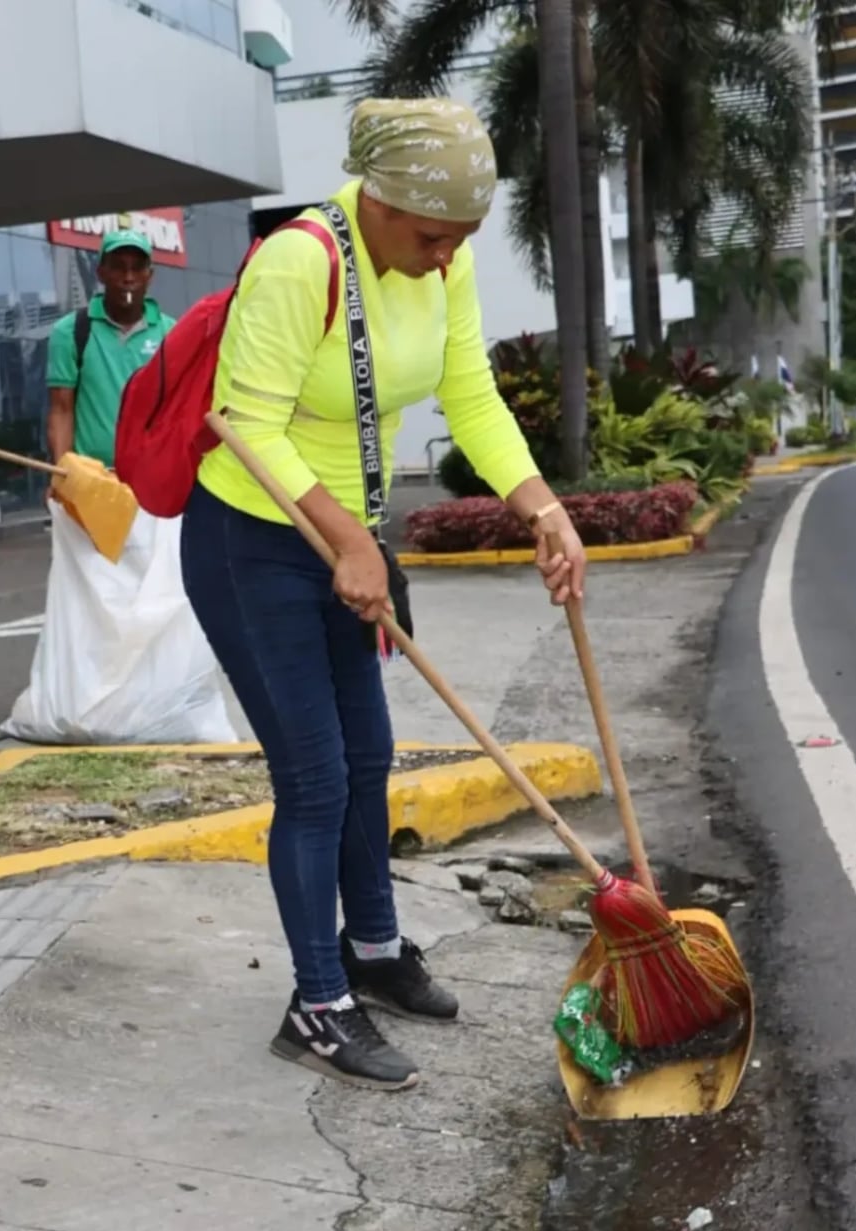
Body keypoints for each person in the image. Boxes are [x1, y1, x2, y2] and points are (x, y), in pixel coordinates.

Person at [181, 98, 589, 1093]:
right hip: (253, 544)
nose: (445, 255)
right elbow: (242, 420)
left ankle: (372, 950)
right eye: (430, 234)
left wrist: (542, 507)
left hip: (341, 545)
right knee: (315, 777)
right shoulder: (300, 260)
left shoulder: (440, 267)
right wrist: (351, 537)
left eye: (461, 240)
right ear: (379, 200)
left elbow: (470, 396)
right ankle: (316, 1005)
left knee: (369, 757)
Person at [45, 227, 176, 471]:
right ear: (101, 273)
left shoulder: (172, 333)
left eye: (137, 268)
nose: (128, 277)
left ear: (150, 275)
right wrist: (60, 472)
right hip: (93, 478)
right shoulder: (70, 331)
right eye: (118, 267)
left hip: (153, 476)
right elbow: (61, 410)